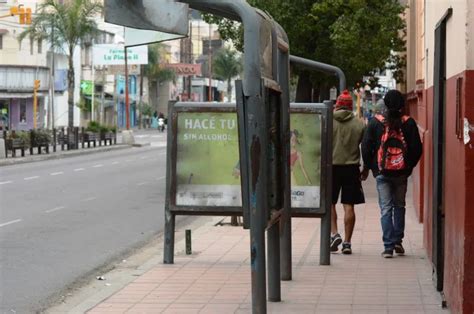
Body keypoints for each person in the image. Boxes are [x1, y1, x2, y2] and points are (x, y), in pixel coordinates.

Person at [361, 90, 422, 258]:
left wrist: (370, 167)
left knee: (386, 208)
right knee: (399, 206)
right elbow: (417, 149)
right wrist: (408, 167)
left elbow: (366, 147)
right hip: (401, 173)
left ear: (385, 104)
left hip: (381, 172)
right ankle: (397, 241)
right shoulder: (409, 123)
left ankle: (388, 247)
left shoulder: (375, 123)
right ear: (402, 104)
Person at [331, 90, 366, 254]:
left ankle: (334, 233)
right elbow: (364, 148)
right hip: (351, 168)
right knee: (349, 205)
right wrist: (365, 169)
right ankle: (347, 242)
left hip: (331, 167)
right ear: (350, 106)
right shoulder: (359, 124)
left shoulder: (327, 121)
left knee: (329, 203)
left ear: (337, 105)